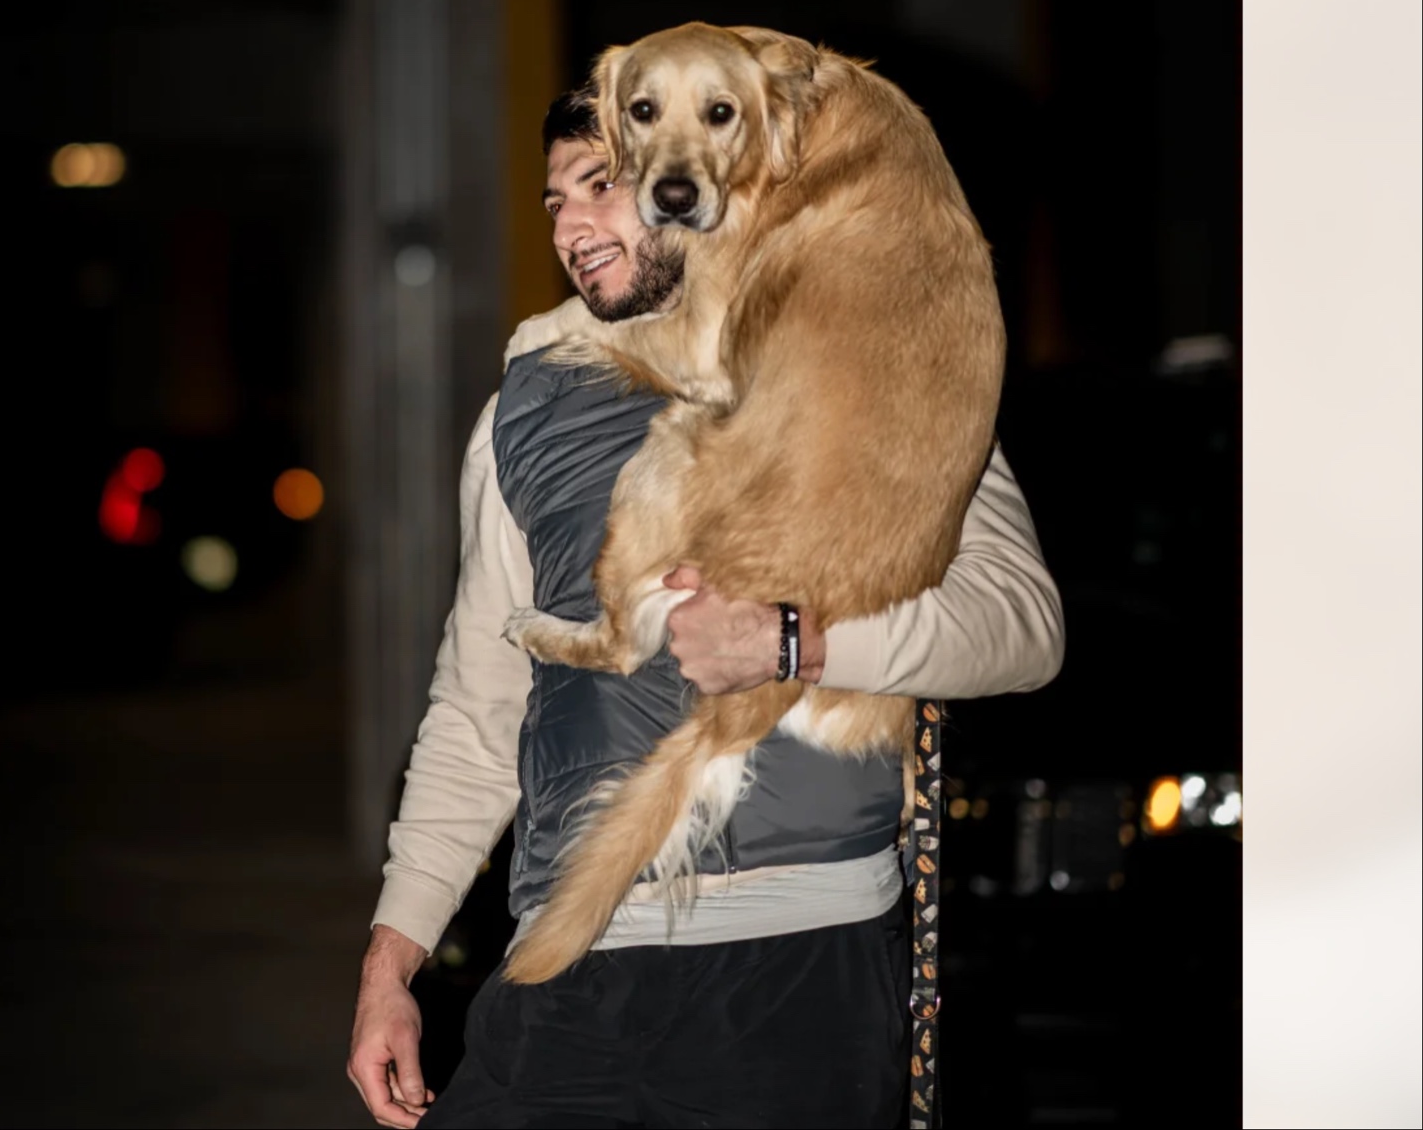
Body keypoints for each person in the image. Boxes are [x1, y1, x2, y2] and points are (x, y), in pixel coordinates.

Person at [346, 85, 1065, 1129]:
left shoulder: (872, 369)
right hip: (571, 962)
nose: (571, 227)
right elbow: (480, 705)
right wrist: (391, 959)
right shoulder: (522, 413)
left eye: (602, 187)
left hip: (795, 970)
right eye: (554, 201)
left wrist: (798, 642)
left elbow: (1021, 624)